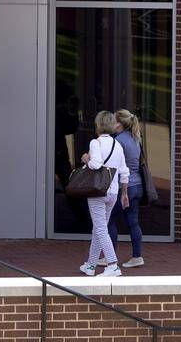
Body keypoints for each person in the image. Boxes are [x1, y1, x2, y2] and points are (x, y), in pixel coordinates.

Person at [79, 111, 129, 277]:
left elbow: (95, 164)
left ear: (98, 125)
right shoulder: (117, 145)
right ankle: (91, 265)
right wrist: (124, 193)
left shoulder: (95, 142)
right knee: (99, 228)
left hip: (98, 191)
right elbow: (124, 171)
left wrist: (86, 159)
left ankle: (113, 264)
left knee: (100, 229)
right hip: (113, 192)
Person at [105, 109, 145, 268]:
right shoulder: (136, 138)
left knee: (110, 220)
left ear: (119, 124)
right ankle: (137, 256)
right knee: (133, 222)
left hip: (124, 186)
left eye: (114, 121)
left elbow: (114, 165)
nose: (112, 124)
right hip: (137, 185)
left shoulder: (118, 141)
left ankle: (110, 257)